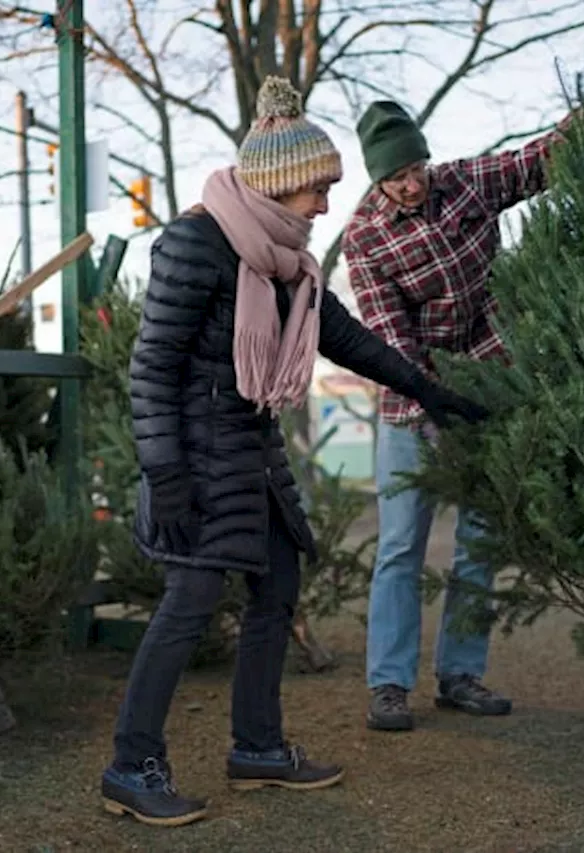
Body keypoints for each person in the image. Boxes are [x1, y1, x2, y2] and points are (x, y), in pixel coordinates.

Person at [100, 76, 490, 828]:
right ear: (280, 185)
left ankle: (258, 746)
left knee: (277, 592)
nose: (324, 205)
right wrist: (165, 474)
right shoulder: (194, 243)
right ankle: (130, 764)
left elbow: (348, 338)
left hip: (252, 456)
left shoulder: (289, 266)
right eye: (316, 189)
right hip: (195, 461)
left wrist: (428, 389)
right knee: (187, 607)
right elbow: (150, 367)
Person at [341, 100, 569, 732]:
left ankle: (460, 674)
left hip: (493, 374)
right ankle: (389, 684)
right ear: (377, 180)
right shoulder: (365, 236)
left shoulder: (464, 182)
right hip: (412, 396)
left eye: (416, 167)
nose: (412, 184)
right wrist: (436, 396)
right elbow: (390, 335)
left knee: (480, 540)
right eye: (397, 178)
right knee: (400, 544)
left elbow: (536, 161)